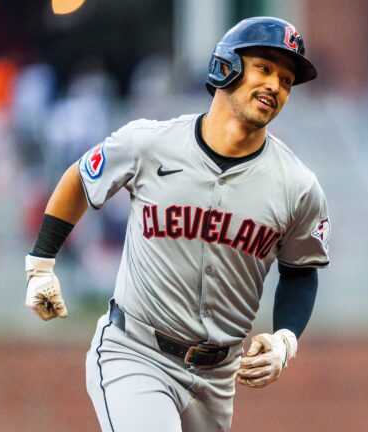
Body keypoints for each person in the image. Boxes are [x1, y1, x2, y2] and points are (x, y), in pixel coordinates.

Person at [24, 17, 330, 431]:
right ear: (226, 66)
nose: (275, 86)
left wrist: (286, 338)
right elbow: (81, 177)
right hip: (136, 352)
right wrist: (41, 265)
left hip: (218, 378)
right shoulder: (151, 143)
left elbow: (301, 269)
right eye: (264, 68)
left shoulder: (298, 185)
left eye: (287, 80)